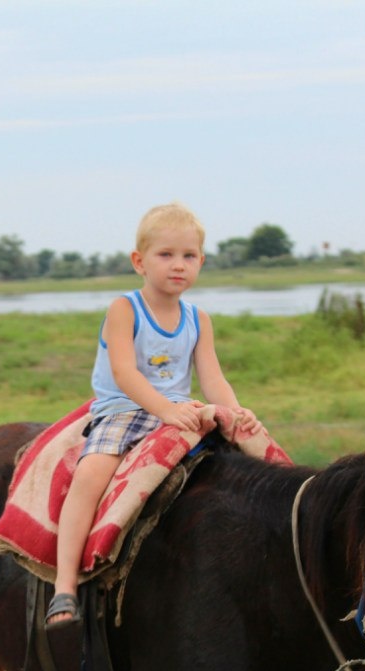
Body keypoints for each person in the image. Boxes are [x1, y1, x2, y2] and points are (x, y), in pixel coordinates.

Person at [47, 202, 256, 628]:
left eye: (189, 256)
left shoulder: (198, 319)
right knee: (90, 476)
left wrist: (234, 413)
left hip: (180, 412)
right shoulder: (124, 309)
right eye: (166, 255)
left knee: (253, 461)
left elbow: (212, 378)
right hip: (126, 409)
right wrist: (165, 410)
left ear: (201, 261)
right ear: (139, 262)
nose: (178, 266)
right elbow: (125, 372)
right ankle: (64, 586)